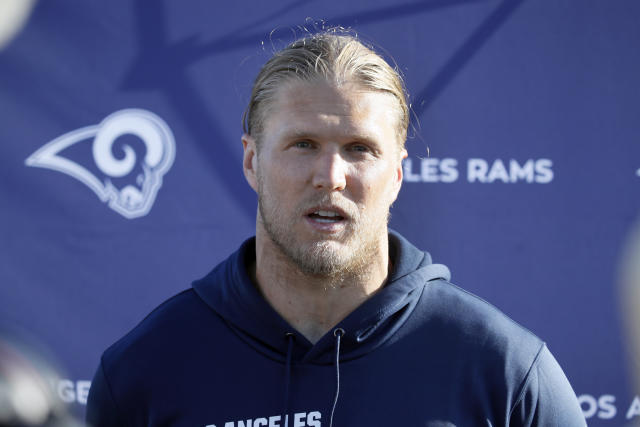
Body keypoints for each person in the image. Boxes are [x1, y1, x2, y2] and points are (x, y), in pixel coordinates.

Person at [86, 29, 586, 426]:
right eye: (303, 143)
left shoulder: (505, 372)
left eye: (359, 149)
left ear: (396, 174)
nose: (330, 177)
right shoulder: (145, 370)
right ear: (251, 161)